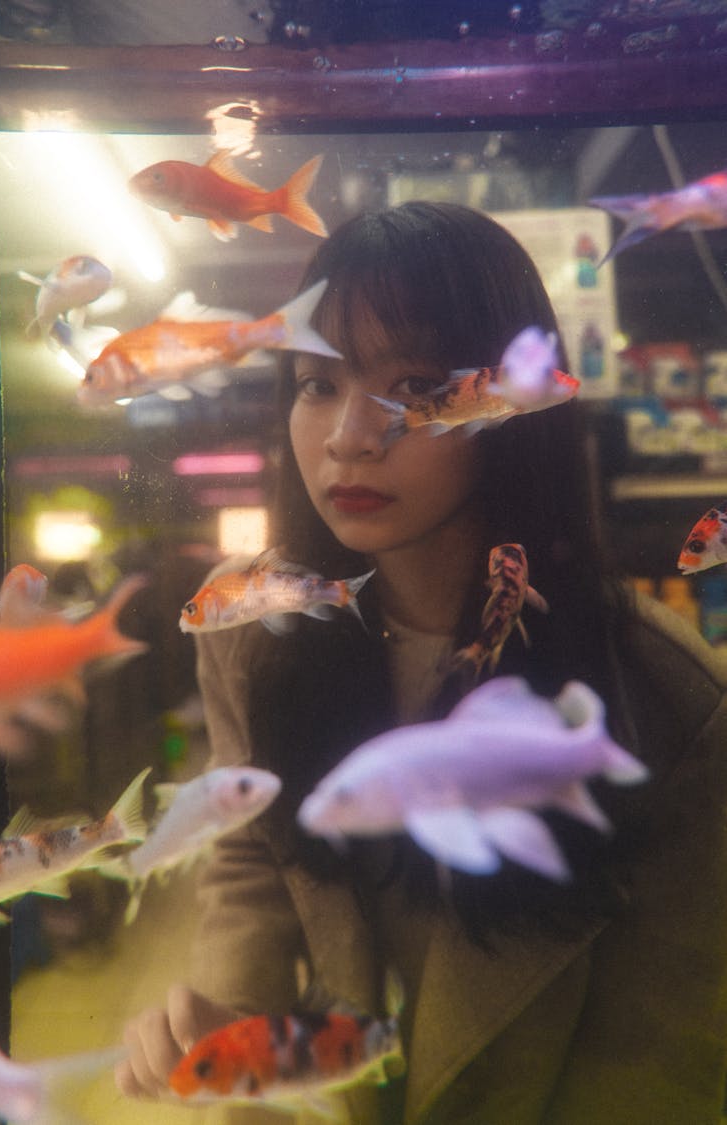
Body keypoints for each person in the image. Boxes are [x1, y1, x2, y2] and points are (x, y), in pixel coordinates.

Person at [115, 201, 727, 1124]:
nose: (351, 435)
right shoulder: (254, 636)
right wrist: (233, 1026)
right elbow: (252, 856)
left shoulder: (667, 698)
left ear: (511, 405)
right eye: (318, 384)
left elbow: (661, 1060)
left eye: (416, 385)